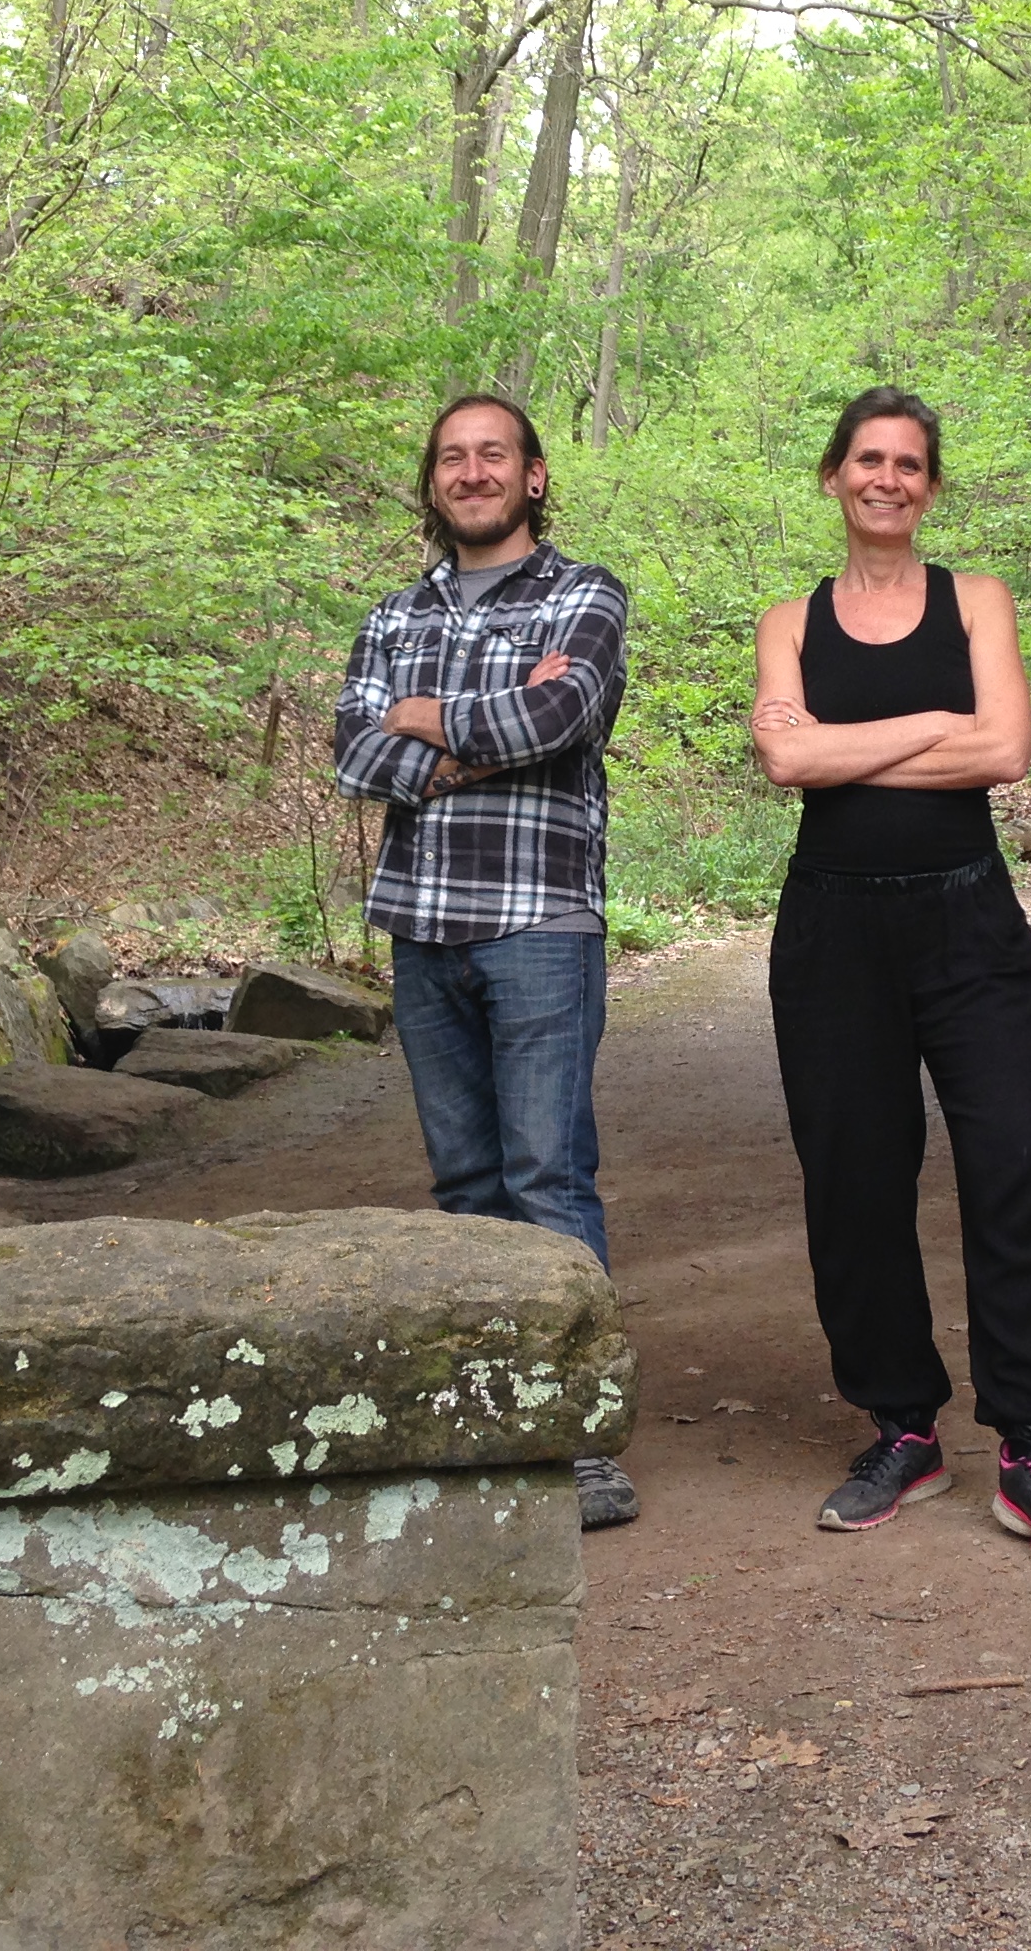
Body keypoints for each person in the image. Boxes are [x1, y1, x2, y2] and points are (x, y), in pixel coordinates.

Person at [751, 388, 1031, 1572]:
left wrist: (839, 752)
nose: (888, 479)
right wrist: (928, 728)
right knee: (853, 1182)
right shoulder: (787, 619)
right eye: (868, 460)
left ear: (931, 486)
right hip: (831, 933)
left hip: (967, 923)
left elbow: (1004, 752)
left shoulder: (978, 602)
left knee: (1010, 1163)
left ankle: (1030, 1446)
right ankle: (902, 1423)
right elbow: (783, 759)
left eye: (910, 464)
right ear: (833, 476)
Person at [331, 391, 641, 1527]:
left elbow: (563, 718)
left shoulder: (586, 593)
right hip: (424, 927)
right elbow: (354, 752)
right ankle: (489, 1423)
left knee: (547, 1179)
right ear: (433, 482)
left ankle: (580, 1440)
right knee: (464, 1190)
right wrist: (457, 741)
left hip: (540, 923)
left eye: (493, 455)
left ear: (535, 475)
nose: (472, 473)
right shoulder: (389, 612)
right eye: (452, 458)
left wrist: (427, 721)